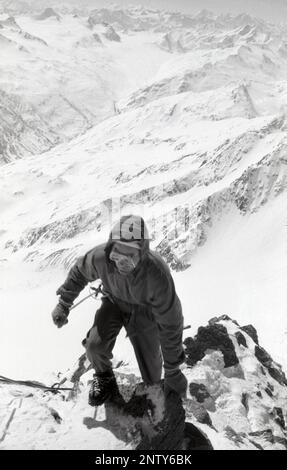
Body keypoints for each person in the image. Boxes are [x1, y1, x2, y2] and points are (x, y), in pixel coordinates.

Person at [51, 214, 187, 406]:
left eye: (130, 257)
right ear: (110, 249)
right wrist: (64, 303)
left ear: (143, 253)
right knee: (94, 347)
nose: (121, 263)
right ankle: (104, 378)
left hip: (144, 312)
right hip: (113, 303)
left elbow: (171, 323)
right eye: (117, 256)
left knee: (152, 373)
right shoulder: (101, 258)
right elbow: (80, 272)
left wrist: (173, 370)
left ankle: (154, 395)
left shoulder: (157, 275)